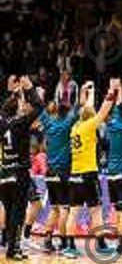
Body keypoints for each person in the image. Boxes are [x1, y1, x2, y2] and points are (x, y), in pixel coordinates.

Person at [63, 80, 119, 259]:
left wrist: (90, 92)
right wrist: (111, 91)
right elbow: (104, 111)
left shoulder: (75, 127)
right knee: (95, 210)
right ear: (90, 117)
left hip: (74, 174)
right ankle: (101, 244)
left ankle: (70, 247)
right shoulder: (89, 127)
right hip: (88, 174)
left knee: (73, 211)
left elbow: (86, 109)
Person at [0, 76, 44, 260]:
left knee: (9, 211)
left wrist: (15, 95)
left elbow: (5, 110)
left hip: (3, 173)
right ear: (16, 110)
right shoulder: (20, 123)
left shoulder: (2, 124)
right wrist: (30, 89)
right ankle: (14, 249)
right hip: (19, 172)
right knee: (18, 211)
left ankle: (10, 246)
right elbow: (39, 107)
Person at [37, 99, 79, 253]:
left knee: (53, 208)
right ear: (66, 113)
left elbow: (41, 112)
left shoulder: (48, 123)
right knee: (63, 209)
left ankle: (47, 240)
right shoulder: (67, 124)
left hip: (49, 172)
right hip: (63, 172)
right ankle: (63, 242)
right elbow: (79, 109)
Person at [106, 86, 122, 260]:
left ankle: (119, 241)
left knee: (117, 210)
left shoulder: (112, 123)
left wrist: (116, 90)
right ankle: (121, 244)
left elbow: (117, 108)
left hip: (110, 173)